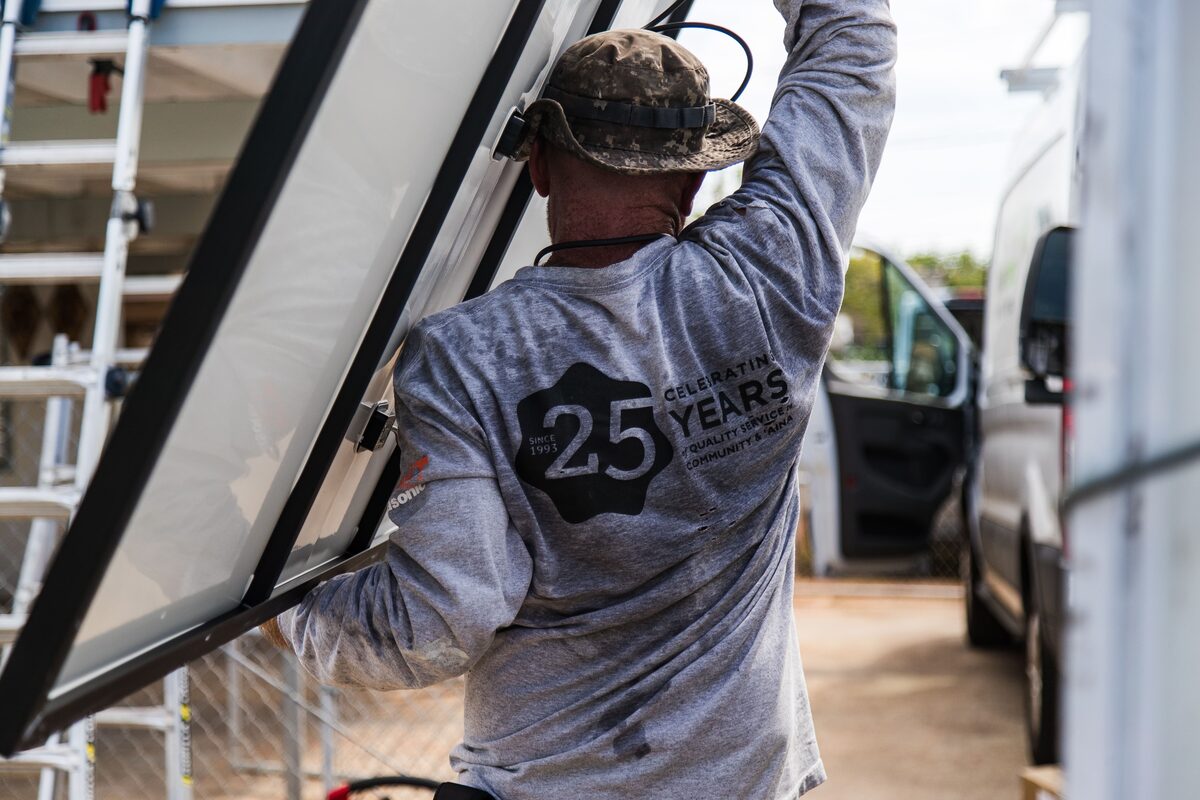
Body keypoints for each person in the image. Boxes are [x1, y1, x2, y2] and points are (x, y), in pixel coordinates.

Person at [264, 1, 896, 797]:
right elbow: (852, 51)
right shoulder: (773, 274)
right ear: (695, 179)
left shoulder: (465, 358)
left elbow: (437, 621)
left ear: (535, 165)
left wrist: (280, 605)